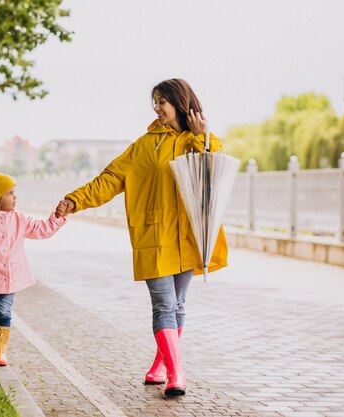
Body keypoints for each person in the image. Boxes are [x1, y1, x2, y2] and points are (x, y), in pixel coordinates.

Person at [55, 78, 228, 397]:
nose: (157, 108)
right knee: (163, 305)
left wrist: (202, 137)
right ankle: (177, 374)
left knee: (177, 305)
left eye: (162, 101)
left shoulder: (200, 139)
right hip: (155, 235)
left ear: (179, 102)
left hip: (190, 235)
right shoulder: (144, 147)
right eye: (155, 102)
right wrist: (75, 200)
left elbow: (216, 171)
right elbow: (109, 179)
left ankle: (161, 365)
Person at [0, 171, 68, 366]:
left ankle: (0, 352)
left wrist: (57, 218)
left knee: (4, 313)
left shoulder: (19, 219)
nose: (15, 197)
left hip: (10, 278)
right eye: (10, 193)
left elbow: (40, 229)